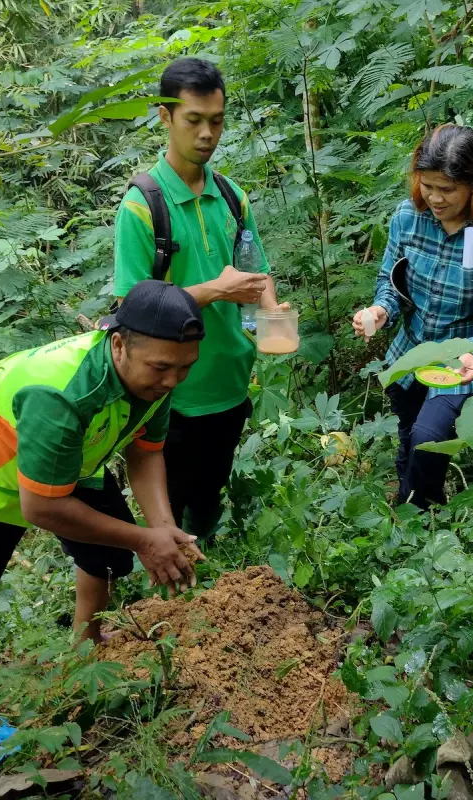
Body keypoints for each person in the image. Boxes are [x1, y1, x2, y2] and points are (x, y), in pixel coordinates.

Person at [0, 281, 206, 739]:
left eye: (184, 369)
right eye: (162, 368)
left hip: (68, 461)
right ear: (118, 344)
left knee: (105, 554)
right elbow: (42, 506)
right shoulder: (60, 393)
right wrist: (144, 539)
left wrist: (162, 527)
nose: (172, 382)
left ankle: (88, 642)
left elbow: (145, 452)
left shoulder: (151, 377)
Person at [113, 57, 286, 538]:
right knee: (171, 497)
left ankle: (206, 564)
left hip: (230, 378)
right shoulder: (142, 205)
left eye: (216, 120)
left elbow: (256, 272)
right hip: (171, 391)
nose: (207, 133)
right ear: (165, 117)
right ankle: (173, 580)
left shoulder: (232, 196)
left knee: (209, 490)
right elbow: (134, 308)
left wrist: (271, 309)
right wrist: (215, 291)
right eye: (194, 120)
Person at [352, 124, 473, 509]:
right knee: (409, 431)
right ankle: (406, 501)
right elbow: (391, 280)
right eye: (427, 185)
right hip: (411, 349)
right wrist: (381, 309)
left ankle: (423, 512)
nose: (435, 198)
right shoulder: (407, 216)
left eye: (446, 189)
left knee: (428, 439)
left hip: (462, 358)